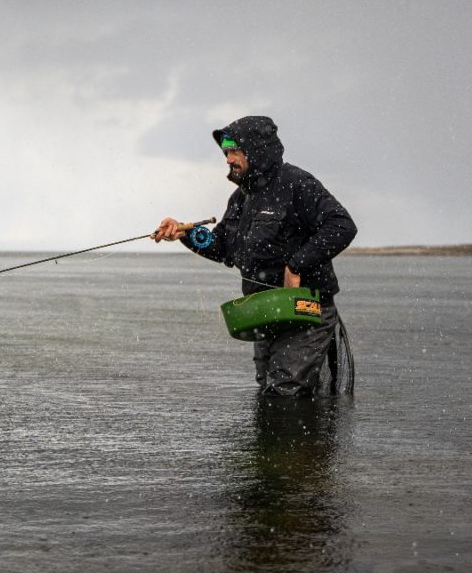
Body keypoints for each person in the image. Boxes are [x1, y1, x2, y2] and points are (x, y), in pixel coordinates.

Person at [153, 116, 357, 397]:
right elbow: (222, 246)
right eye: (225, 152)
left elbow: (342, 225)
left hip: (307, 309)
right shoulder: (240, 198)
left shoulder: (297, 184)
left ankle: (304, 438)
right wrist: (185, 234)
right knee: (269, 392)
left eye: (235, 151)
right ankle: (303, 441)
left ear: (257, 150)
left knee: (285, 392)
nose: (228, 159)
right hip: (267, 312)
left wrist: (297, 264)